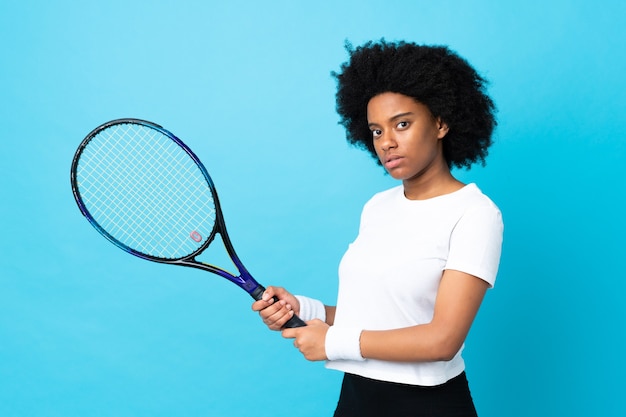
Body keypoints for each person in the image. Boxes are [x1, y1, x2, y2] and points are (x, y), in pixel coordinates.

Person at [252, 40, 503, 417]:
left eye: (402, 124)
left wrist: (333, 342)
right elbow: (378, 314)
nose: (387, 142)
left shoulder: (474, 213)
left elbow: (442, 340)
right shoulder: (377, 207)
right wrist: (306, 308)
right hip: (356, 399)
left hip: (427, 406)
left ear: (441, 122)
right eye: (376, 131)